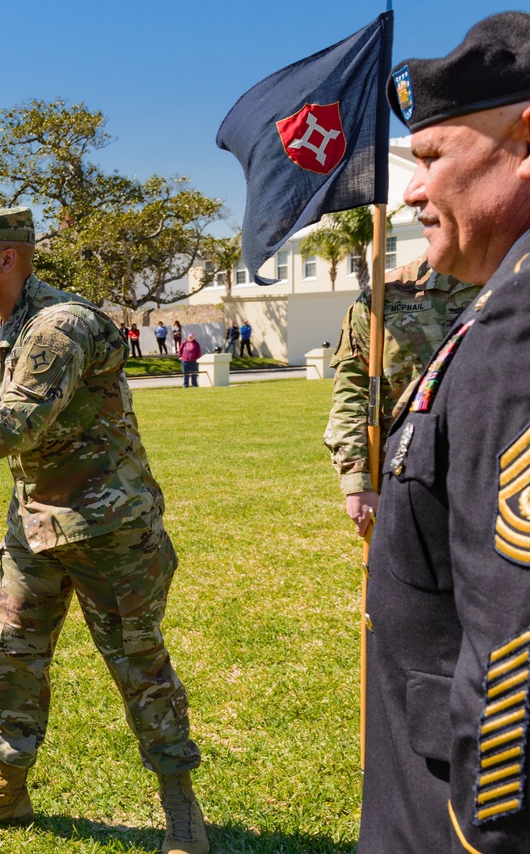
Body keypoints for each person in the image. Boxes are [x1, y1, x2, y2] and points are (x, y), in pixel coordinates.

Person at [0, 207, 208, 854]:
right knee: (16, 658)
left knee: (139, 662)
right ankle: (8, 789)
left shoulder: (60, 328)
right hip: (35, 527)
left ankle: (181, 807)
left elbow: (13, 426)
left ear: (9, 258)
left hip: (108, 525)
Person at [359, 13, 530, 851]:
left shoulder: (520, 332)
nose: (412, 193)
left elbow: (517, 655)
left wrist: (485, 833)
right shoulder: (499, 304)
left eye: (431, 158)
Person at [323, 252, 479, 535]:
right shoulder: (384, 293)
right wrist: (357, 480)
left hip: (504, 475)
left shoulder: (514, 277)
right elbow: (352, 390)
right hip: (406, 475)